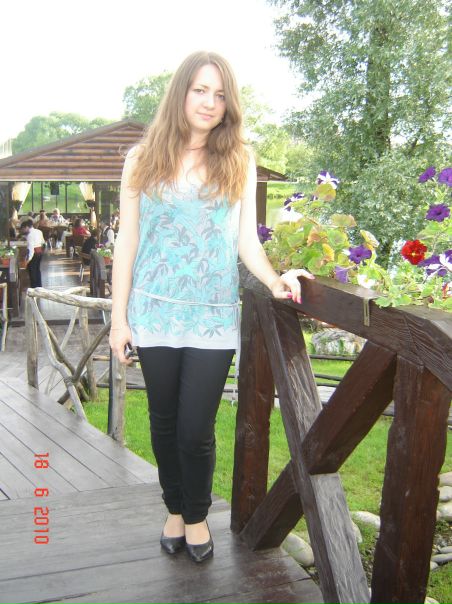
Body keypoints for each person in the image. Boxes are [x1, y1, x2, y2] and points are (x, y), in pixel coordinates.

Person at [108, 50, 314, 564]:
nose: (209, 102)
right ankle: (174, 510)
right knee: (163, 422)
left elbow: (246, 241)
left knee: (196, 429)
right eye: (200, 90)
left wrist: (275, 279)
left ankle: (196, 515)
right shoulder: (141, 158)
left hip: (211, 316)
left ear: (229, 105)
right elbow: (127, 241)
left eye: (220, 95)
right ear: (181, 92)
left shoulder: (238, 159)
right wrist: (118, 320)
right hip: (153, 313)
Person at [20, 219, 45, 288]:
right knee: (37, 270)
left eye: (23, 229)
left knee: (32, 271)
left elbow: (31, 249)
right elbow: (43, 242)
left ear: (26, 227)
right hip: (40, 252)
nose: (23, 231)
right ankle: (39, 286)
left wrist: (28, 260)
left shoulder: (30, 235)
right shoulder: (39, 231)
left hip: (34, 253)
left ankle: (34, 287)